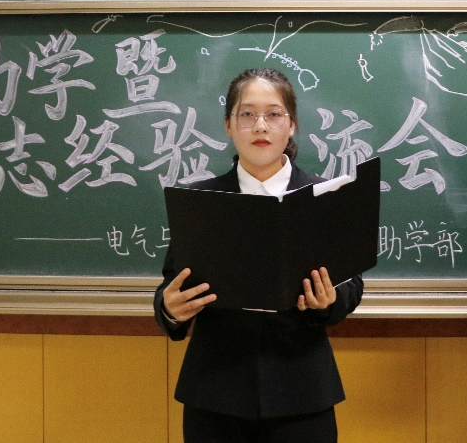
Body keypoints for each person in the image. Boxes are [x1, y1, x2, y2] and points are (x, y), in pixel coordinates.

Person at [154, 67, 363, 443]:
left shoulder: (324, 196)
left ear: (292, 125)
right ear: (228, 126)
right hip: (215, 395)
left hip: (302, 392)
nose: (260, 126)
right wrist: (169, 308)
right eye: (247, 114)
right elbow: (172, 285)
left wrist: (328, 299)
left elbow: (352, 284)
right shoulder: (202, 202)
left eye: (274, 114)